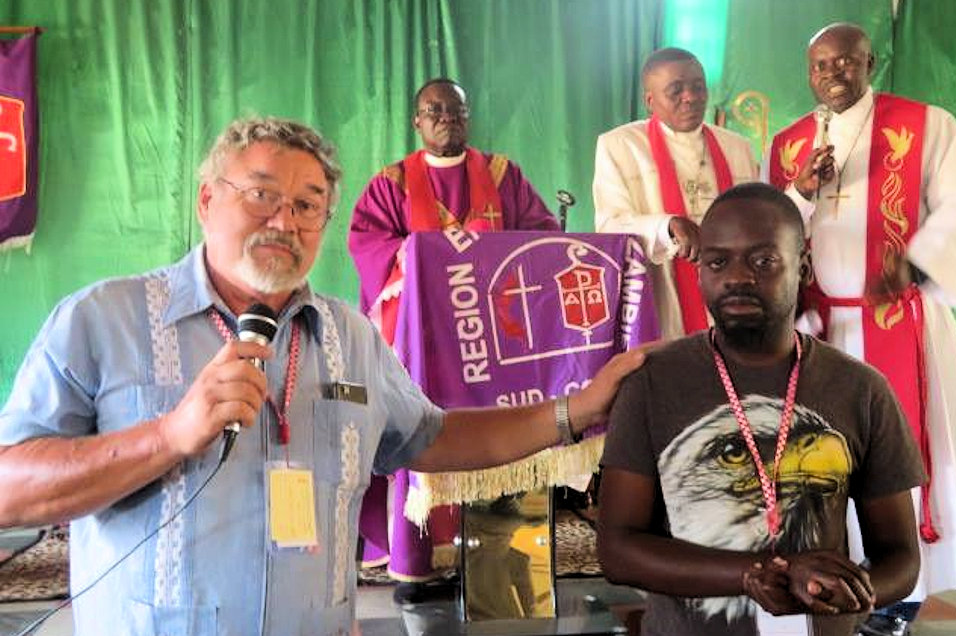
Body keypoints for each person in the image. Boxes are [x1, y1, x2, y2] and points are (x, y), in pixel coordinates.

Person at [0, 116, 643, 636]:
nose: (285, 221)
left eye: (309, 206)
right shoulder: (102, 318)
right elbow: (9, 490)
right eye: (262, 196)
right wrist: (168, 437)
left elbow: (433, 437)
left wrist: (576, 410)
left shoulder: (347, 333)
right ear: (206, 199)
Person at [597, 182, 923, 636]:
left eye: (763, 260)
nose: (737, 276)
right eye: (717, 262)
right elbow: (616, 550)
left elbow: (901, 557)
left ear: (803, 268)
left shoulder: (861, 389)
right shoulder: (652, 383)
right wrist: (756, 575)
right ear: (699, 272)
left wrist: (845, 589)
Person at [764, 22, 956, 599]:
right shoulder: (790, 143)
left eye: (846, 62)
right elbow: (768, 229)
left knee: (926, 449)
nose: (833, 74)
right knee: (828, 455)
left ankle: (929, 582)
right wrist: (799, 191)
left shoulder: (926, 125)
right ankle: (841, 581)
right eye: (821, 65)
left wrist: (914, 262)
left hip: (905, 319)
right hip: (824, 329)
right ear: (809, 72)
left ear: (869, 62)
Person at [348, 78, 559, 602]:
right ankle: (419, 561)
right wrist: (420, 258)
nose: (445, 118)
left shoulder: (501, 175)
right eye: (433, 110)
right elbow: (369, 243)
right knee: (422, 429)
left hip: (493, 339)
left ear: (467, 118)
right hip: (422, 338)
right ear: (417, 121)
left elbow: (541, 234)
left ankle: (494, 560)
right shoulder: (392, 182)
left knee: (498, 433)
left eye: (455, 110)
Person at [593, 47, 757, 341]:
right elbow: (609, 226)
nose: (690, 97)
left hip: (734, 295)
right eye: (675, 90)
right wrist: (665, 227)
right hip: (664, 296)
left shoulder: (737, 147)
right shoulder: (620, 146)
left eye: (698, 87)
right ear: (650, 100)